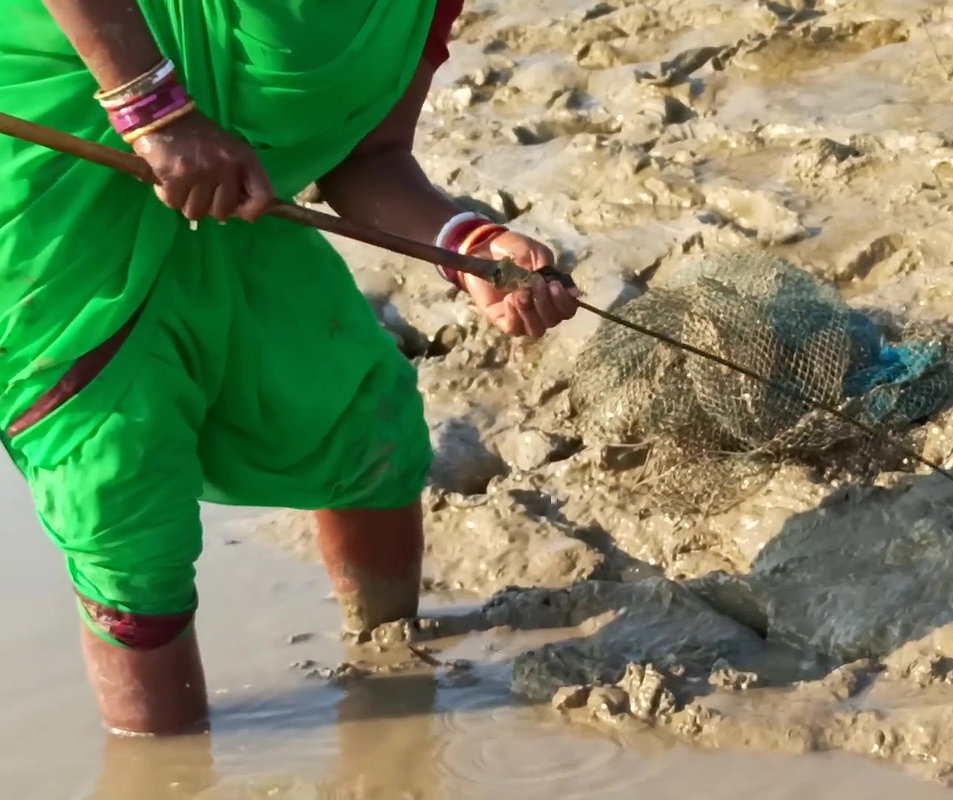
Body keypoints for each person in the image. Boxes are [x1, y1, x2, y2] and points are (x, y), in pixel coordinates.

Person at [0, 0, 579, 737]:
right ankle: (162, 766)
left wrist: (465, 243)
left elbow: (369, 158)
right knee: (119, 493)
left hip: (227, 210)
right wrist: (156, 111)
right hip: (57, 210)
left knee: (365, 423)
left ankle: (388, 692)